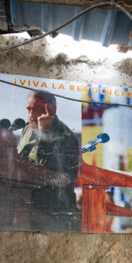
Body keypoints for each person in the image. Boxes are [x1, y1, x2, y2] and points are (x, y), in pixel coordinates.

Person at [17, 90, 81, 232]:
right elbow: (19, 160)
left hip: (52, 213)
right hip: (26, 204)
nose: (31, 115)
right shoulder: (27, 129)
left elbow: (65, 180)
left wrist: (44, 134)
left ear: (52, 109)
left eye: (37, 109)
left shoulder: (66, 137)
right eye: (29, 109)